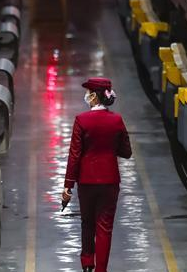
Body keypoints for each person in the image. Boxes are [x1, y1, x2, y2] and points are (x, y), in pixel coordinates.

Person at [62, 77, 132, 272]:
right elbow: (126, 152)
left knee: (87, 223)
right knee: (104, 228)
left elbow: (74, 155)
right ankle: (101, 269)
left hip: (86, 182)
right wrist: (109, 147)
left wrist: (68, 186)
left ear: (93, 96)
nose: (86, 96)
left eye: (88, 93)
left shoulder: (81, 120)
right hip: (110, 181)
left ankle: (87, 264)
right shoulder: (116, 120)